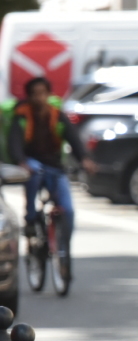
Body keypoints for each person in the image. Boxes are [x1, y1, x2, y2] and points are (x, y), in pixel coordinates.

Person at [8, 76, 95, 238]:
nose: (39, 98)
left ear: (49, 95)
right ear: (29, 96)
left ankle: (64, 252)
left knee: (68, 210)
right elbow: (14, 142)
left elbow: (73, 139)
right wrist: (21, 161)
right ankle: (31, 218)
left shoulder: (57, 115)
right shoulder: (22, 116)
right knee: (35, 171)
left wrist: (84, 158)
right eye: (35, 94)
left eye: (43, 93)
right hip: (32, 163)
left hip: (55, 167)